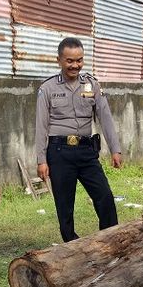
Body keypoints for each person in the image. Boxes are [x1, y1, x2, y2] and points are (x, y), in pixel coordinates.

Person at [35, 37, 123, 242]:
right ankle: (72, 245)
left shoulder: (92, 84)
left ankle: (111, 239)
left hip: (86, 151)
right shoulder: (47, 89)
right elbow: (41, 126)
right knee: (65, 205)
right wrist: (41, 160)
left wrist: (115, 149)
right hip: (59, 152)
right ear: (59, 60)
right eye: (70, 61)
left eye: (79, 60)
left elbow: (105, 117)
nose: (75, 65)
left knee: (105, 196)